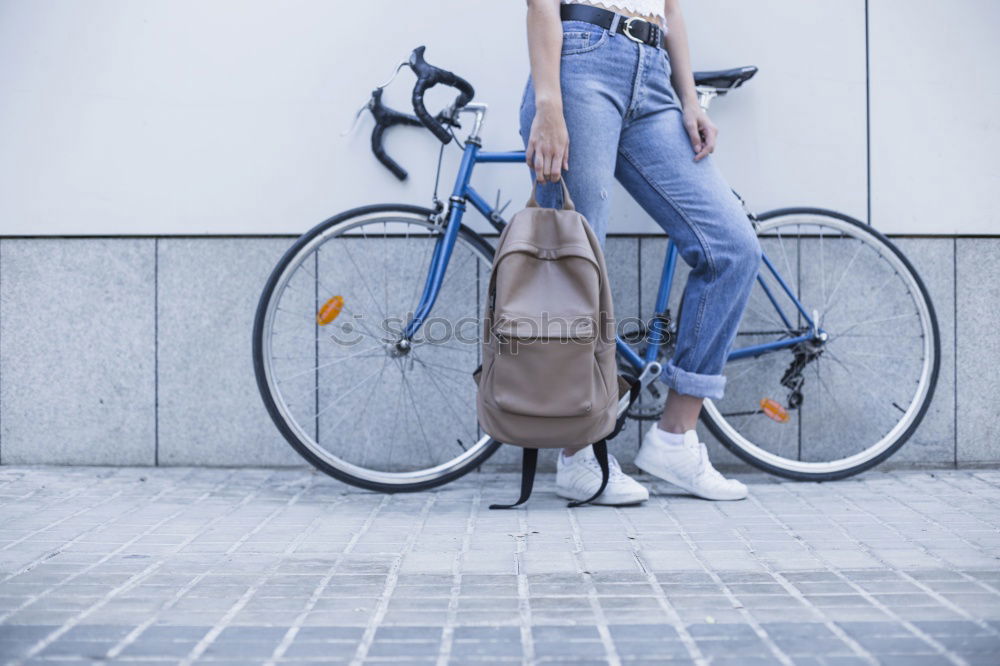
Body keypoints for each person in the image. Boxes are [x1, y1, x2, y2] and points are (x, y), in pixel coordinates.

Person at [520, 0, 761, 503]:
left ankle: (675, 438)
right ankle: (576, 453)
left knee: (732, 248)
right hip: (581, 63)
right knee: (576, 264)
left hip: (653, 76)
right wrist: (548, 103)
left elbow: (671, 11)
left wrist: (689, 99)